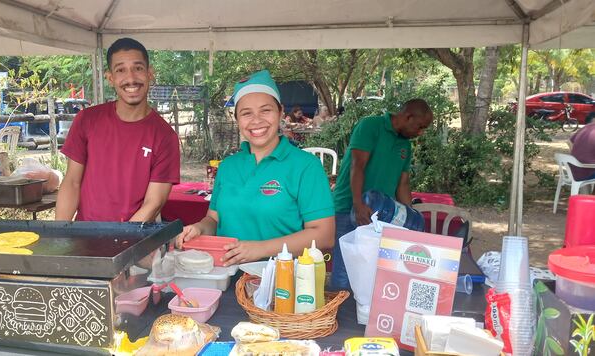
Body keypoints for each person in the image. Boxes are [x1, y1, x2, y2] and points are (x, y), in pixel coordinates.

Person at [176, 70, 335, 266]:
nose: (256, 120)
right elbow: (214, 220)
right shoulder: (227, 167)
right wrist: (199, 228)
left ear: (281, 112)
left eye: (265, 110)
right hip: (226, 276)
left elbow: (324, 235)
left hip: (282, 283)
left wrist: (260, 249)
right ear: (237, 119)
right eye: (246, 113)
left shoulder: (306, 167)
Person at [55, 38, 180, 222]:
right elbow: (72, 182)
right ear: (110, 78)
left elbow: (154, 203)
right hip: (84, 241)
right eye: (121, 70)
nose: (130, 78)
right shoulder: (87, 120)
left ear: (150, 73)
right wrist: (59, 236)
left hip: (136, 243)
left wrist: (121, 244)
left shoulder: (165, 136)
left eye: (138, 68)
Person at [329, 99, 433, 290]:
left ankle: (364, 316)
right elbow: (357, 165)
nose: (420, 133)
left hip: (381, 216)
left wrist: (410, 216)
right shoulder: (371, 126)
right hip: (348, 207)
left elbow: (403, 183)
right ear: (408, 116)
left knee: (373, 275)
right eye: (420, 127)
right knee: (344, 274)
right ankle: (338, 317)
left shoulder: (406, 146)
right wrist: (358, 203)